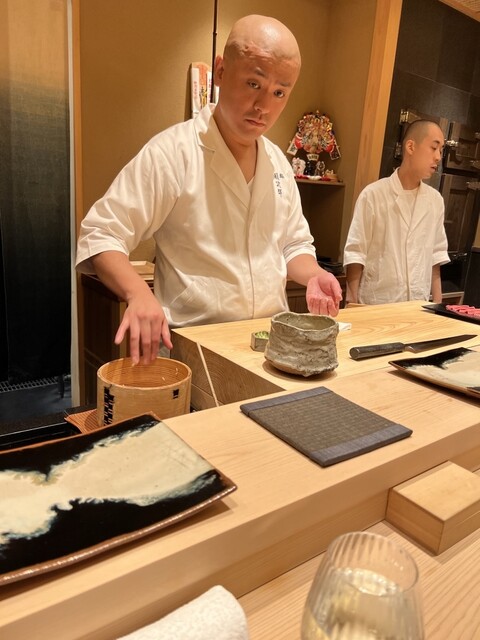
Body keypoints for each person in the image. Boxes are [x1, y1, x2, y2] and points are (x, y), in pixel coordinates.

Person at [76, 14, 342, 365]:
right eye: (253, 83)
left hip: (268, 349)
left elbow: (294, 244)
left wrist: (315, 275)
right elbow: (101, 234)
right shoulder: (173, 152)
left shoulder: (278, 162)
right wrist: (138, 293)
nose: (264, 106)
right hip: (192, 348)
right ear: (221, 70)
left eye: (280, 92)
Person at [343, 119, 449, 305]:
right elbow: (356, 253)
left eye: (441, 150)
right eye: (434, 148)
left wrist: (438, 305)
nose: (438, 157)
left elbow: (436, 256)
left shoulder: (435, 201)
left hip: (418, 306)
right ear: (411, 147)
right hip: (376, 304)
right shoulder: (373, 195)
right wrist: (351, 303)